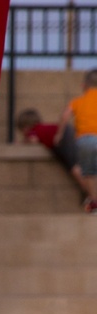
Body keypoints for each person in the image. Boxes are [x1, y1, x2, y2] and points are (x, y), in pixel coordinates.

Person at [17, 108, 92, 205]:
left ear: (26, 126)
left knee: (74, 167)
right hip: (69, 133)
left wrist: (22, 142)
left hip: (63, 138)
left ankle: (90, 193)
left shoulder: (34, 131)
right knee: (78, 165)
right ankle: (89, 190)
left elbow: (33, 140)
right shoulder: (42, 128)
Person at [58, 69, 97, 213]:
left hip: (84, 140)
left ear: (84, 86)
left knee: (88, 172)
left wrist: (59, 134)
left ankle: (94, 201)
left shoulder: (78, 101)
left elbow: (65, 116)